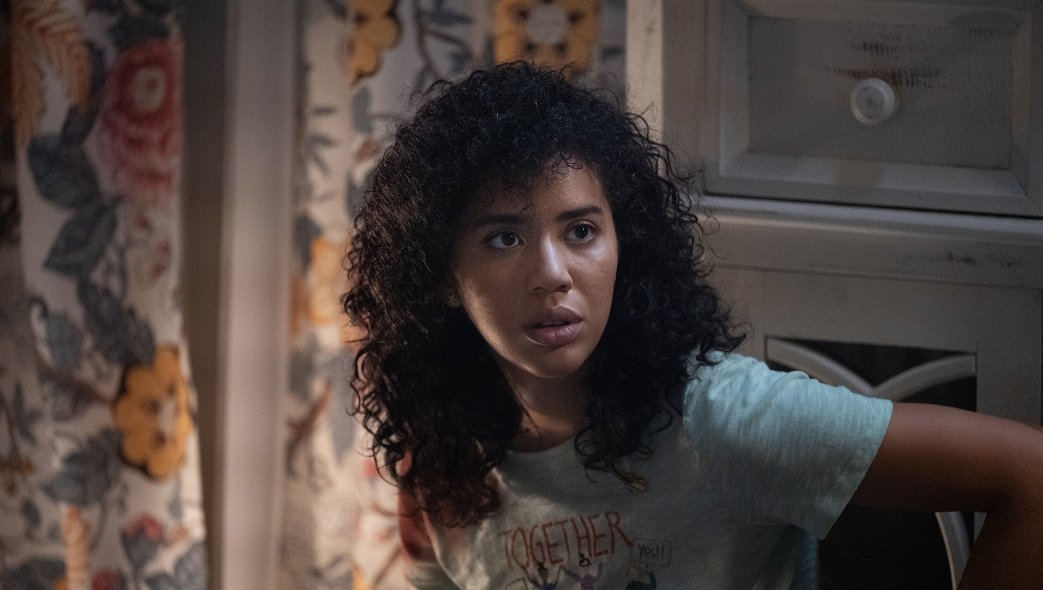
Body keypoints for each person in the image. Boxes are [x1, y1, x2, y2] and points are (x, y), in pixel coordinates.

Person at [342, 62, 1043, 588]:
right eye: (504, 238)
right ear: (441, 275)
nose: (552, 273)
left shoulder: (721, 419)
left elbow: (1030, 475)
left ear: (624, 243)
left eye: (581, 231)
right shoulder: (438, 468)